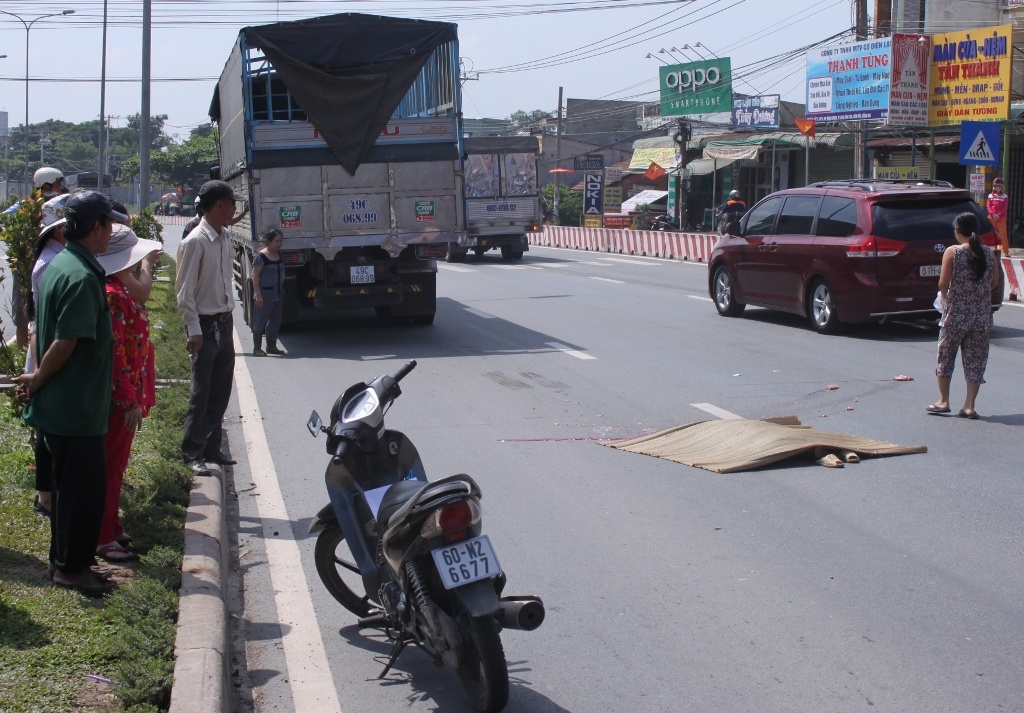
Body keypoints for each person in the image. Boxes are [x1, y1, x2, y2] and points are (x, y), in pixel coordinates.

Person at [14, 191, 126, 596]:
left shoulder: (63, 264)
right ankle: (70, 569)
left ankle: (66, 561)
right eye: (108, 224)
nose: (111, 231)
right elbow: (64, 344)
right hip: (75, 406)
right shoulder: (79, 277)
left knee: (65, 493)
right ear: (96, 227)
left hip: (66, 407)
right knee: (83, 495)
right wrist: (38, 379)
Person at [94, 226, 161, 562]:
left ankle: (111, 525)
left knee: (117, 466)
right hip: (120, 399)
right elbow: (116, 351)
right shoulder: (113, 295)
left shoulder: (118, 289)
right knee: (110, 466)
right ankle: (103, 537)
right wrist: (129, 399)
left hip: (125, 393)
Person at [176, 180, 244, 477]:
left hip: (223, 321)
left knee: (220, 389)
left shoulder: (224, 236)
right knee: (201, 392)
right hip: (203, 324)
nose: (234, 209)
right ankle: (192, 451)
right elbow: (184, 291)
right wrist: (193, 329)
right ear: (219, 205)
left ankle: (212, 448)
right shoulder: (195, 241)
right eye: (232, 204)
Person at [25, 193, 73, 520]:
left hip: (48, 350)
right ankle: (45, 497)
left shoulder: (55, 256)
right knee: (47, 430)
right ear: (58, 230)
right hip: (49, 352)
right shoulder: (51, 263)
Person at [927, 212, 1000, 420]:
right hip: (981, 318)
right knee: (975, 361)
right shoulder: (988, 253)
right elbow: (994, 283)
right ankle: (969, 406)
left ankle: (943, 401)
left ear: (958, 231)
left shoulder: (953, 252)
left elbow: (943, 283)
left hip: (955, 315)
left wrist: (945, 297)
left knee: (945, 357)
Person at [11, 168, 69, 349]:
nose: (61, 187)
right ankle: (23, 353)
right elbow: (6, 219)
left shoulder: (61, 206)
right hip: (27, 263)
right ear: (46, 185)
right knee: (23, 313)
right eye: (58, 183)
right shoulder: (26, 207)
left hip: (49, 261)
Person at [250, 229, 286, 356]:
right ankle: (257, 348)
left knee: (275, 320)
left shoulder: (279, 255)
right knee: (260, 320)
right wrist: (257, 294)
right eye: (276, 241)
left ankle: (271, 346)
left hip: (278, 293)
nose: (279, 243)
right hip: (265, 294)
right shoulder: (261, 257)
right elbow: (254, 276)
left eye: (280, 241)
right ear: (269, 241)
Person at [986, 177, 1011, 255]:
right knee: (990, 235)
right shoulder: (990, 196)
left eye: (1000, 186)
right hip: (991, 218)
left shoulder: (1005, 197)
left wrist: (998, 215)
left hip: (1001, 219)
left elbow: (1004, 208)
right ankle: (989, 251)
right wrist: (993, 214)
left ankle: (1005, 252)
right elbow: (988, 206)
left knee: (1003, 235)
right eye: (997, 186)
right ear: (994, 186)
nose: (998, 187)